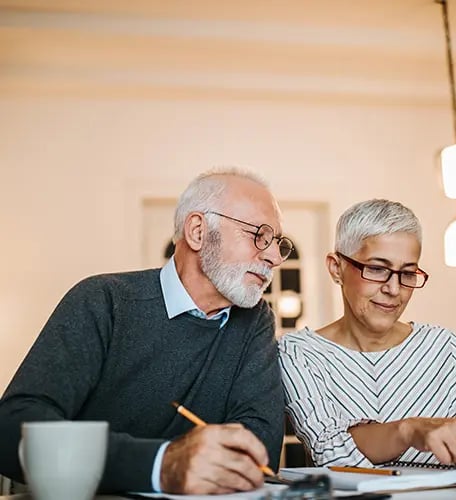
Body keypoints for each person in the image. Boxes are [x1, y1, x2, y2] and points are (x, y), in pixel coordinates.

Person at [0, 168, 293, 494]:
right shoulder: (104, 300)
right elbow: (13, 428)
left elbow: (258, 451)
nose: (274, 257)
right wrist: (161, 464)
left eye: (279, 243)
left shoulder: (254, 320)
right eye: (260, 235)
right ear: (197, 231)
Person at [279, 199, 456, 469]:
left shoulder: (446, 349)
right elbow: (332, 452)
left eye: (407, 273)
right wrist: (409, 430)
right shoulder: (299, 353)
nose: (394, 289)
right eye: (377, 269)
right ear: (336, 268)